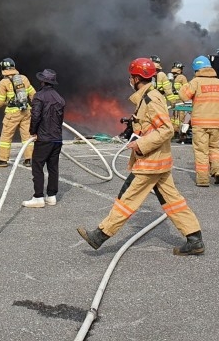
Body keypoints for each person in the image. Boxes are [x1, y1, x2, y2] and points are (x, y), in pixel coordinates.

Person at [76, 57, 204, 255]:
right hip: (159, 162)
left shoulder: (151, 99)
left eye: (131, 77)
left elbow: (166, 129)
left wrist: (140, 144)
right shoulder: (147, 97)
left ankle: (99, 236)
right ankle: (194, 239)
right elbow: (149, 124)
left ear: (136, 78)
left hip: (150, 163)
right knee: (173, 201)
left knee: (126, 200)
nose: (130, 80)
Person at [179, 55, 219, 186]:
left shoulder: (196, 82)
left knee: (201, 151)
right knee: (214, 149)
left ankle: (202, 179)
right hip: (217, 123)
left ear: (196, 70)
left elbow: (183, 95)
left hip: (200, 124)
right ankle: (217, 171)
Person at [22, 68, 65, 208]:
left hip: (44, 138)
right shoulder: (60, 98)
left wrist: (33, 132)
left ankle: (38, 197)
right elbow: (60, 120)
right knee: (53, 167)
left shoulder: (39, 96)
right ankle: (51, 196)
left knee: (37, 165)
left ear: (42, 81)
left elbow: (35, 116)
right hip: (57, 138)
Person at [0, 57, 35, 168]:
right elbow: (33, 94)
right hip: (26, 111)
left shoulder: (4, 82)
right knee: (27, 136)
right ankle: (29, 159)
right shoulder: (24, 78)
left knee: (6, 136)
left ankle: (2, 160)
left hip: (12, 114)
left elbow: (0, 102)